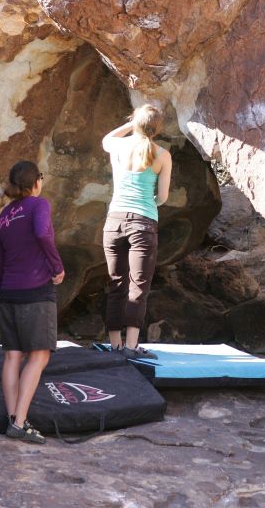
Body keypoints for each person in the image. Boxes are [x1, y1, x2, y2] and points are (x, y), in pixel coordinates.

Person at [0, 161, 65, 444]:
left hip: (9, 292)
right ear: (36, 182)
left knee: (12, 355)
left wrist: (3, 291)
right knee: (39, 355)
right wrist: (56, 266)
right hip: (36, 291)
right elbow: (42, 233)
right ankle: (21, 422)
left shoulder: (3, 217)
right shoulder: (38, 205)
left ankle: (13, 419)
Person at [102, 104, 172, 359]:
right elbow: (162, 197)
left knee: (116, 283)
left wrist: (133, 125)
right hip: (143, 223)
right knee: (138, 285)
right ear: (158, 128)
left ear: (135, 122)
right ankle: (131, 346)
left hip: (114, 222)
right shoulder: (162, 154)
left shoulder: (118, 146)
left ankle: (115, 345)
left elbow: (107, 138)